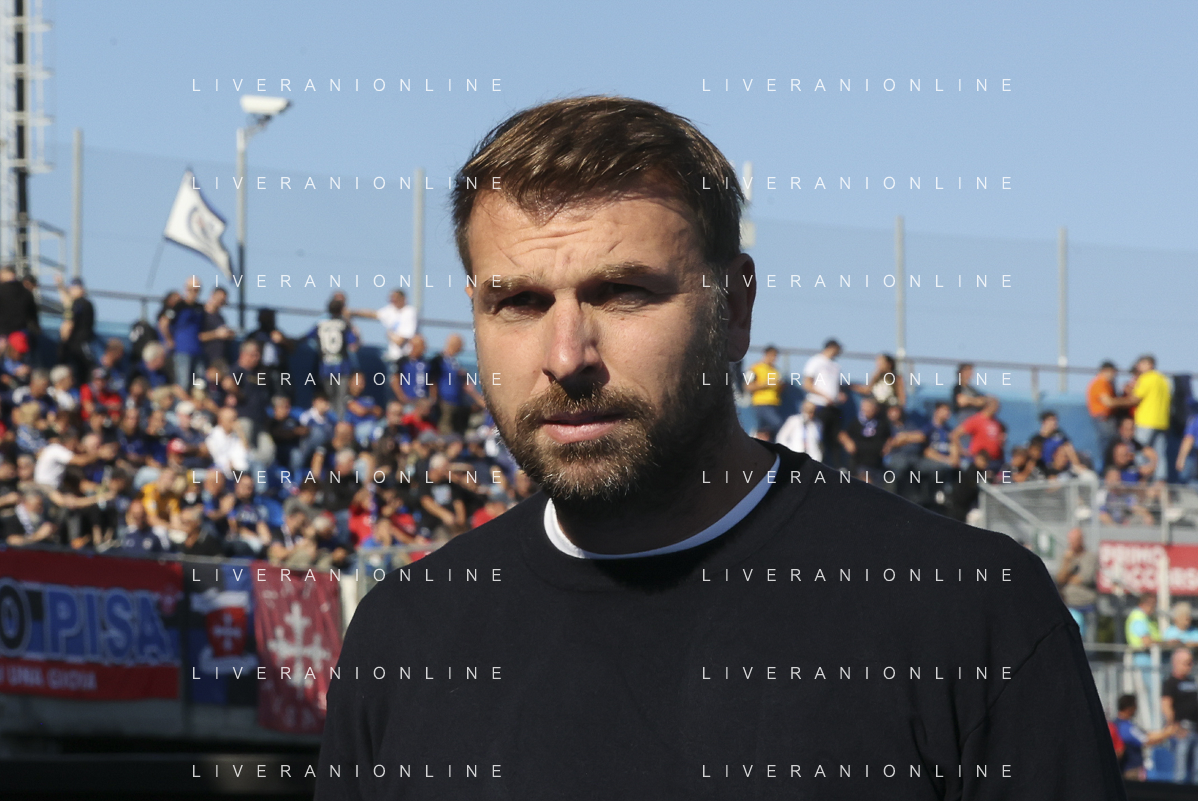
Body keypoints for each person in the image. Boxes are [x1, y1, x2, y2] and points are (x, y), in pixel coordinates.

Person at [317, 95, 1125, 800]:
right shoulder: (403, 639)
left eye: (622, 292)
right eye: (519, 302)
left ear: (733, 308)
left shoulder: (966, 612)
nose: (566, 356)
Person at [1114, 694, 1177, 782]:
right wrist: (1168, 733)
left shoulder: (1117, 724)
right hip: (1131, 771)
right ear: (1129, 708)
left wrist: (1164, 733)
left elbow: (1146, 734)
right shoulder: (1126, 727)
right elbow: (1146, 740)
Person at [801, 338, 845, 465]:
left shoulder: (836, 366)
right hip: (818, 406)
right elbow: (807, 383)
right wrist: (824, 396)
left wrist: (839, 395)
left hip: (834, 408)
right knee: (817, 439)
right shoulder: (815, 361)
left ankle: (837, 468)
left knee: (835, 439)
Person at [1130, 355, 1172, 482]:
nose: (1138, 366)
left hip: (1146, 420)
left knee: (1139, 450)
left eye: (1141, 364)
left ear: (1149, 364)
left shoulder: (1146, 378)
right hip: (1162, 421)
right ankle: (1160, 483)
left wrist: (1114, 401)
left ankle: (1142, 478)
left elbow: (1135, 398)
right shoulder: (1163, 379)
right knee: (1160, 454)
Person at [1055, 527, 1098, 641]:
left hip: (1086, 604)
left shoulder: (1090, 557)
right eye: (1070, 540)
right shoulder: (1066, 557)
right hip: (1070, 604)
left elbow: (1085, 578)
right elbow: (1060, 579)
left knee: (1089, 641)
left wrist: (1068, 578)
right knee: (1071, 639)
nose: (1071, 543)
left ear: (1081, 540)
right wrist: (1067, 562)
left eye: (1074, 540)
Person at [1163, 647, 1198, 784]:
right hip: (1182, 730)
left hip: (1195, 729)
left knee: (1196, 771)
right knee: (1181, 772)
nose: (1190, 666)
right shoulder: (1170, 682)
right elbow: (1166, 705)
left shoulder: (1191, 681)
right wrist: (1174, 726)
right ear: (1176, 663)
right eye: (1186, 663)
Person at [1088, 362, 1136, 457]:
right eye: (1113, 372)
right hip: (1103, 418)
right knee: (1109, 444)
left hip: (1108, 418)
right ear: (1105, 371)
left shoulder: (1107, 384)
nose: (1114, 375)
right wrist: (1129, 401)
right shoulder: (1100, 383)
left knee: (1112, 443)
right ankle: (1108, 463)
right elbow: (1108, 402)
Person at [744, 344, 783, 441]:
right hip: (761, 403)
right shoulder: (755, 368)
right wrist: (766, 384)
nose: (774, 358)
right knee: (777, 424)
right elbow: (748, 386)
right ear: (766, 354)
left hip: (774, 404)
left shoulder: (775, 370)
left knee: (766, 432)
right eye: (772, 355)